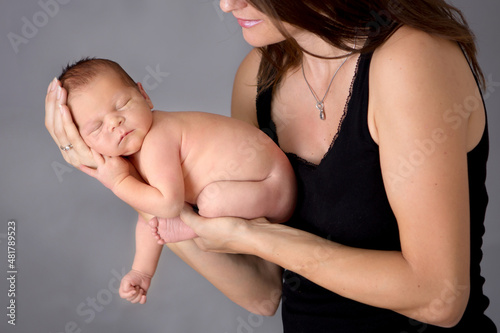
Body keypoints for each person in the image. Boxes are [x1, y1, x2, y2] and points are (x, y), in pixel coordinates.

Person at [45, 0, 497, 331]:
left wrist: (252, 234)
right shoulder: (259, 74)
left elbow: (441, 299)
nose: (227, 5)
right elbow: (262, 292)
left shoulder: (409, 59)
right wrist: (120, 168)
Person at [51, 57, 296, 303]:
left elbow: (167, 205)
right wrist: (142, 271)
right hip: (260, 193)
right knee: (188, 205)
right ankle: (188, 228)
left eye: (123, 104)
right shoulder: (137, 156)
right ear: (84, 145)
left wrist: (118, 183)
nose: (115, 122)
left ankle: (193, 225)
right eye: (97, 127)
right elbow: (149, 217)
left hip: (273, 186)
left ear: (144, 96)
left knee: (211, 202)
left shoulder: (158, 138)